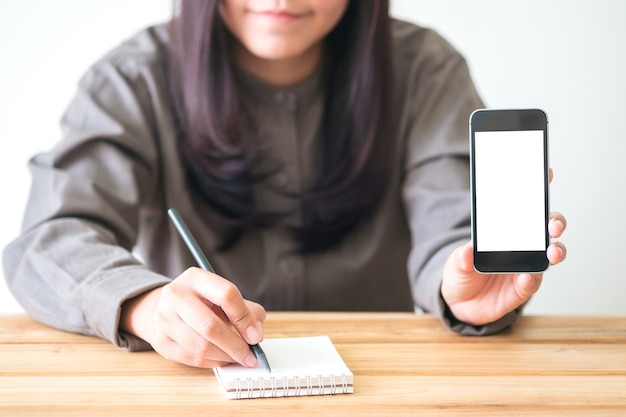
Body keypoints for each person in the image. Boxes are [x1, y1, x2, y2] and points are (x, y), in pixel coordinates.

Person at [3, 0, 566, 370]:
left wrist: (463, 289)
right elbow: (49, 241)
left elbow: (454, 231)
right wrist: (145, 305)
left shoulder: (425, 69)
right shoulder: (133, 77)